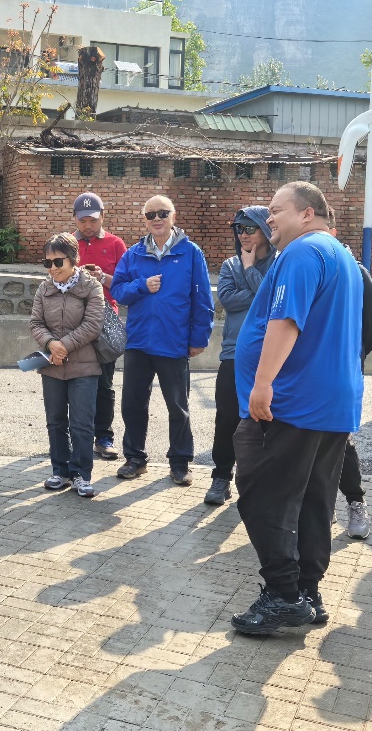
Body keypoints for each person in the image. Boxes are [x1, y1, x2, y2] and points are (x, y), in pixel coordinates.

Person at [231, 181, 364, 636]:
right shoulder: (341, 254)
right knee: (312, 501)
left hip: (294, 402)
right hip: (330, 402)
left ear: (307, 214)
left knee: (262, 494)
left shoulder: (302, 252)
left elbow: (286, 319)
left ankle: (284, 596)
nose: (268, 218)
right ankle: (308, 592)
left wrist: (263, 382)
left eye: (277, 209)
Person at [109, 195, 214, 486]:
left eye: (162, 213)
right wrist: (142, 285)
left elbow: (203, 299)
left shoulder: (191, 253)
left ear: (173, 216)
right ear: (144, 220)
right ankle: (135, 459)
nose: (157, 219)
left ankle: (180, 463)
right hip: (139, 342)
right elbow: (118, 291)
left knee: (178, 406)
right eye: (150, 214)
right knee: (132, 404)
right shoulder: (133, 254)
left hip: (173, 342)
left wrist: (199, 338)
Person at [207, 206, 274, 506]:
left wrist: (249, 272)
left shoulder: (280, 264)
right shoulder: (229, 264)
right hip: (234, 353)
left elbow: (272, 299)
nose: (243, 234)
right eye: (238, 229)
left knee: (268, 421)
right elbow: (227, 300)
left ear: (265, 230)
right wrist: (255, 286)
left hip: (270, 354)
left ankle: (261, 481)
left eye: (249, 228)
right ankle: (221, 476)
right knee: (227, 418)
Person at [30, 233, 105, 499]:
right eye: (47, 263)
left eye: (58, 262)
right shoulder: (44, 288)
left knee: (82, 423)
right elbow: (36, 323)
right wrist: (51, 344)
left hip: (84, 366)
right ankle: (59, 471)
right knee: (55, 421)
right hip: (52, 365)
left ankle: (82, 474)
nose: (52, 268)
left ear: (74, 259)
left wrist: (64, 346)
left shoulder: (91, 287)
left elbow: (93, 324)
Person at [327, 207, 372, 541]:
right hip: (304, 375)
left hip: (342, 373)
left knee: (340, 440)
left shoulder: (355, 272)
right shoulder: (298, 264)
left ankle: (355, 502)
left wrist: (354, 356)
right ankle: (322, 506)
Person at [72, 192, 127, 462]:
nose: (88, 226)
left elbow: (126, 285)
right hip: (72, 320)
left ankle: (104, 437)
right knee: (73, 382)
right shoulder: (67, 243)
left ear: (102, 217)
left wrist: (102, 277)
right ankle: (75, 436)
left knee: (104, 383)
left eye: (93, 220)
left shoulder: (116, 244)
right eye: (83, 220)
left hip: (105, 322)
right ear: (75, 219)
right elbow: (53, 277)